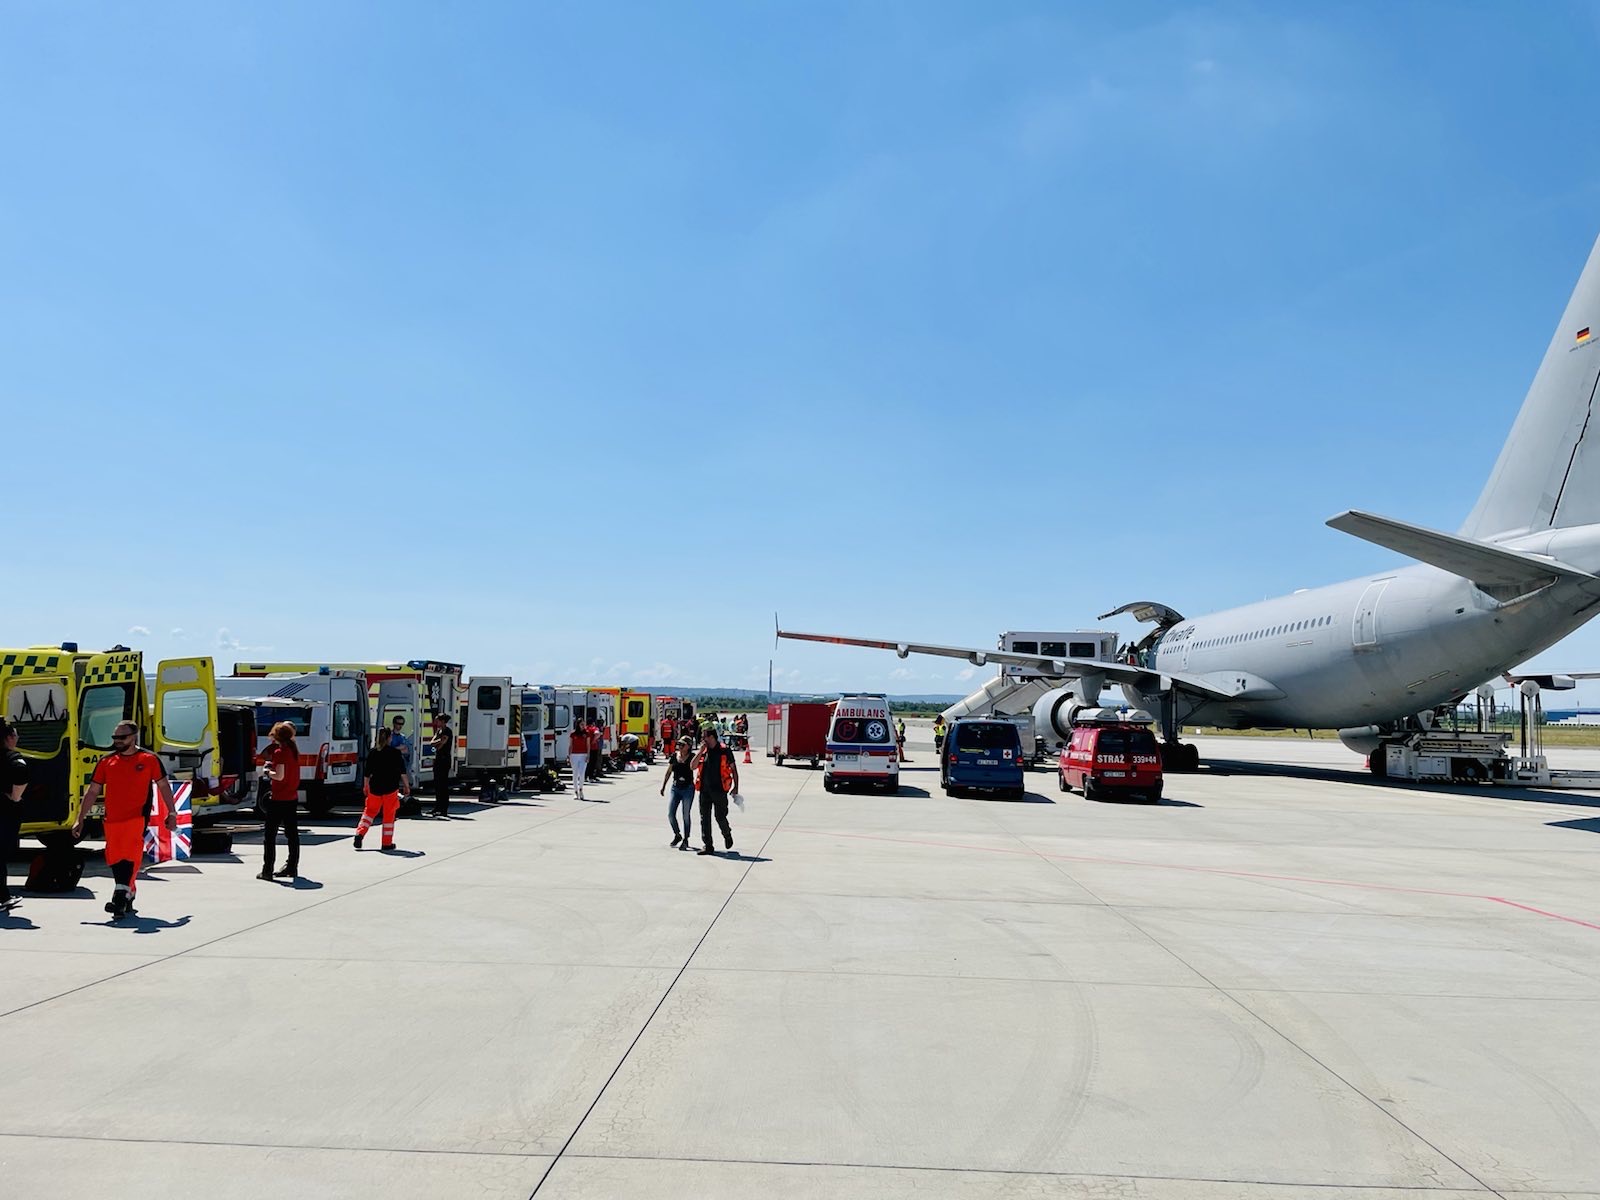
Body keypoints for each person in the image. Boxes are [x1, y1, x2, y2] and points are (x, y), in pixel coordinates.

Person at [72, 720, 176, 919]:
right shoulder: (106, 762)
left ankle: (119, 897)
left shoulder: (149, 759)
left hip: (136, 817)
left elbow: (163, 786)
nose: (117, 741)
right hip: (112, 819)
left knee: (130, 856)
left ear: (133, 736)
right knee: (115, 857)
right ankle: (128, 892)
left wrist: (172, 813)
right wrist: (80, 818)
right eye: (114, 738)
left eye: (122, 737)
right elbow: (93, 791)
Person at [256, 720, 301, 880]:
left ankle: (267, 870)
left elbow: (280, 776)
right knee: (292, 834)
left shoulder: (280, 752)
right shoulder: (293, 750)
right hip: (291, 797)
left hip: (279, 798)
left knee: (270, 836)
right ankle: (292, 866)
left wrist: (267, 772)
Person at [355, 727, 410, 851]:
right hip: (390, 789)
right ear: (390, 738)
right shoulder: (395, 753)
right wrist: (407, 786)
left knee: (369, 813)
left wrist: (366, 786)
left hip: (375, 788)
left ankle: (360, 834)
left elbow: (367, 773)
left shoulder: (373, 752)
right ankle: (386, 843)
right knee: (389, 816)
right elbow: (402, 772)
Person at [693, 726, 739, 856]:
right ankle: (708, 845)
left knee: (720, 817)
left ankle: (727, 833)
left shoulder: (724, 751)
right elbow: (693, 766)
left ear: (711, 737)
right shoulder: (704, 751)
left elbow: (734, 769)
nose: (702, 739)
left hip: (719, 790)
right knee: (704, 819)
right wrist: (700, 751)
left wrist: (736, 787)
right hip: (704, 790)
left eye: (704, 737)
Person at [0, 719, 28, 910]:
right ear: (9, 738)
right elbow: (21, 772)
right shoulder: (12, 757)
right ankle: (2, 897)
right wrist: (15, 797)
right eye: (16, 735)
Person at [659, 739, 695, 849]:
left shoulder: (692, 757)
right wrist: (664, 786)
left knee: (685, 814)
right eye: (678, 744)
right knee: (671, 814)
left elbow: (698, 767)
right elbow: (669, 771)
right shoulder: (675, 756)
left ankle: (686, 838)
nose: (679, 746)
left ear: (688, 746)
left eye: (682, 745)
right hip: (676, 788)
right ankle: (677, 834)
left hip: (688, 788)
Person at [429, 715, 453, 817]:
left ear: (443, 721)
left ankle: (444, 808)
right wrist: (438, 742)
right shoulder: (438, 731)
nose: (436, 723)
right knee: (437, 784)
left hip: (444, 759)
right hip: (438, 759)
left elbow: (441, 744)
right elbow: (432, 743)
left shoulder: (447, 731)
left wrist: (438, 743)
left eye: (437, 721)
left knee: (443, 784)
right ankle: (437, 807)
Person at [568, 720, 591, 801]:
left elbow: (588, 745)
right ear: (578, 725)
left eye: (584, 724)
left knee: (581, 774)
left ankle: (581, 789)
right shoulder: (573, 734)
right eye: (581, 724)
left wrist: (588, 755)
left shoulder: (586, 733)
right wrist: (569, 756)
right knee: (575, 774)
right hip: (574, 755)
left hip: (583, 755)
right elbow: (570, 745)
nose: (583, 726)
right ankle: (575, 792)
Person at [389, 715, 412, 787]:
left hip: (401, 762)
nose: (400, 726)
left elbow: (405, 749)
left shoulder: (402, 736)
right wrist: (398, 749)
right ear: (394, 723)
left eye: (402, 724)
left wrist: (394, 749)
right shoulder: (390, 735)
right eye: (398, 723)